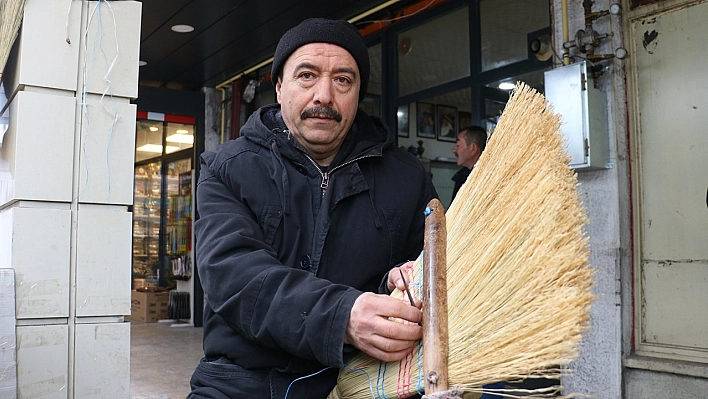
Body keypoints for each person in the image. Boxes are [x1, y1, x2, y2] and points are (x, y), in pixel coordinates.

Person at [188, 18, 437, 399]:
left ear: (358, 94)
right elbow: (233, 275)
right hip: (241, 382)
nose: (324, 95)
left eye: (343, 80)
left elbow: (430, 274)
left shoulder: (407, 178)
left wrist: (404, 282)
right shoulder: (227, 167)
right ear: (279, 86)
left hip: (365, 379)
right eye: (307, 75)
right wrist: (342, 316)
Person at [450, 125, 487, 202]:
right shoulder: (461, 177)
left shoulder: (488, 176)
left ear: (473, 148)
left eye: (458, 145)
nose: (454, 150)